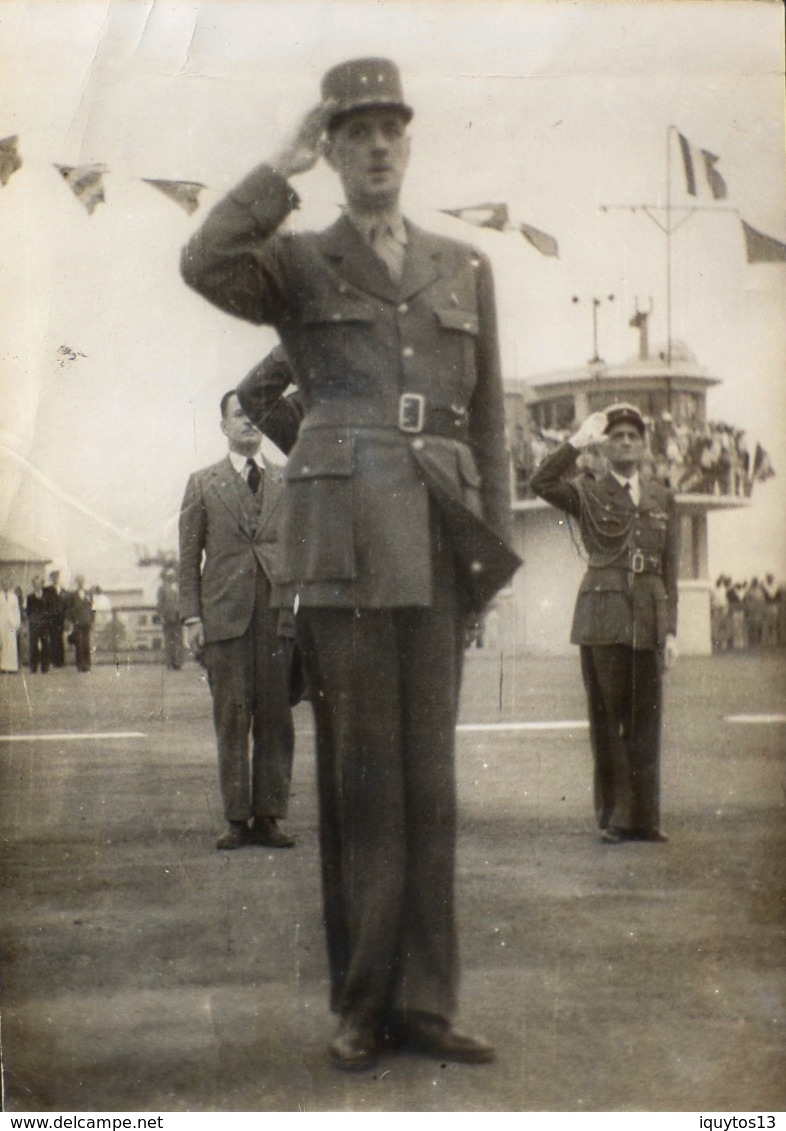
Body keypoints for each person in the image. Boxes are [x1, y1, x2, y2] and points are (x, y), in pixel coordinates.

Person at [181, 57, 519, 1070]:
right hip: (342, 551)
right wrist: (275, 166)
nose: (376, 146)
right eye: (354, 132)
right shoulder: (298, 259)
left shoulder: (464, 267)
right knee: (363, 781)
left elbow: (491, 423)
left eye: (390, 130)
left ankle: (426, 1004)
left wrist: (486, 565)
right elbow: (204, 261)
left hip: (438, 539)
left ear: (408, 146)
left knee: (431, 785)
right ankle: (361, 1005)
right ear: (330, 151)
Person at [531, 403, 679, 845]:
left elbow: (670, 569)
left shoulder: (661, 497)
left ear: (644, 446)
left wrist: (671, 630)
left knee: (647, 720)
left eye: (634, 437)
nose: (626, 443)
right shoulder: (589, 490)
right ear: (605, 446)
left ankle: (646, 818)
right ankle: (617, 816)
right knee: (609, 718)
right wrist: (577, 442)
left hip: (648, 615)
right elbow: (541, 482)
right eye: (617, 437)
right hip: (604, 614)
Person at [178, 390, 297, 852]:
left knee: (275, 719)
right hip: (223, 619)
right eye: (238, 415)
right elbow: (188, 558)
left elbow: (304, 548)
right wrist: (192, 617)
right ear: (223, 426)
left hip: (277, 616)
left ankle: (268, 816)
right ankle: (235, 818)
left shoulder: (289, 481)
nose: (248, 422)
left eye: (255, 414)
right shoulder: (202, 483)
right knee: (231, 719)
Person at [156, 566, 184, 670]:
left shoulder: (179, 587)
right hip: (167, 617)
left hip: (178, 617)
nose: (172, 577)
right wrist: (161, 616)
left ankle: (178, 663)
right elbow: (160, 604)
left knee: (179, 640)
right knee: (169, 640)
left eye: (173, 575)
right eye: (169, 575)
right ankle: (170, 663)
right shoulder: (162, 588)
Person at [68, 577, 94, 672]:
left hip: (87, 622)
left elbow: (93, 608)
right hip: (77, 622)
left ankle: (87, 665)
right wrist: (73, 620)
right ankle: (79, 665)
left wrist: (92, 619)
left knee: (86, 643)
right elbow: (70, 609)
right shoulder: (73, 595)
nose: (80, 583)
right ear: (76, 583)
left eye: (82, 581)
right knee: (79, 643)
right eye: (78, 582)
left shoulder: (88, 594)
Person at [42, 570, 68, 668]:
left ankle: (61, 661)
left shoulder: (64, 591)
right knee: (53, 639)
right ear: (51, 578)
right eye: (53, 577)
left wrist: (66, 618)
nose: (55, 579)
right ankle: (54, 661)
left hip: (61, 619)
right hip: (51, 619)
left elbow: (66, 606)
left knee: (60, 639)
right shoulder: (47, 590)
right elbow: (45, 605)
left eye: (57, 577)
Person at [26, 578, 51, 674]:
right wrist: (32, 621)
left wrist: (46, 621)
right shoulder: (30, 597)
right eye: (35, 584)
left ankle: (45, 667)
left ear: (42, 584)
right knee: (33, 646)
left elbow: (50, 610)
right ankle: (33, 667)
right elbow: (28, 611)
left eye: (39, 583)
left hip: (44, 625)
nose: (37, 586)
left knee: (45, 645)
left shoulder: (47, 597)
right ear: (33, 585)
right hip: (34, 625)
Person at [0, 570, 21, 673]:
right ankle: (2, 667)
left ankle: (12, 667)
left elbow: (16, 611)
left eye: (8, 582)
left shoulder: (14, 597)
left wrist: (17, 623)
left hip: (11, 623)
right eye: (4, 582)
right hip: (1, 622)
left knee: (11, 645)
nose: (6, 584)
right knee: (2, 644)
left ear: (10, 584)